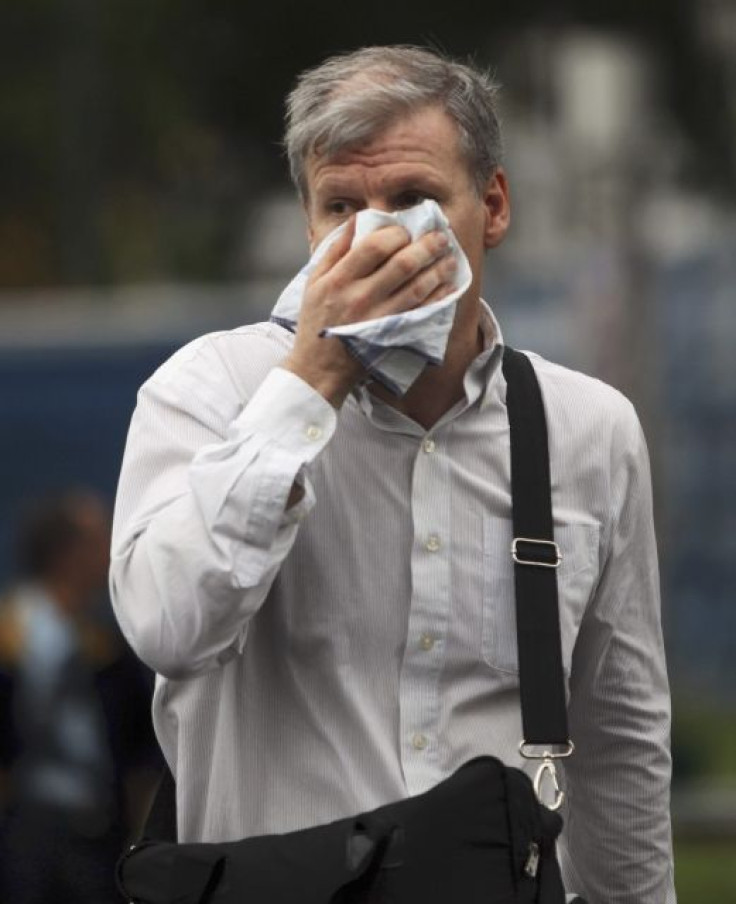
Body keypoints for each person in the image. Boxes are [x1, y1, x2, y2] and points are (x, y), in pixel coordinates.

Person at [110, 46, 675, 903]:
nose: (376, 237)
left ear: (491, 206)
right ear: (307, 226)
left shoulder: (587, 429)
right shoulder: (209, 390)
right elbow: (169, 627)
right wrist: (309, 386)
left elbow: (619, 736)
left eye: (412, 200)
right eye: (341, 206)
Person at [0, 490, 160, 904]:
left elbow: (138, 746)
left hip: (98, 832)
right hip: (23, 832)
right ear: (65, 554)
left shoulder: (108, 650)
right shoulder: (10, 638)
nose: (109, 549)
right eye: (97, 539)